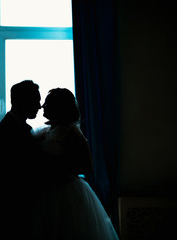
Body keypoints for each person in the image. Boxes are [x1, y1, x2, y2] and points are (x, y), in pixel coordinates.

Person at [33, 88, 119, 240]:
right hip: (45, 192)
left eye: (48, 103)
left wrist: (57, 170)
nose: (43, 107)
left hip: (67, 193)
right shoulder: (44, 132)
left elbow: (87, 166)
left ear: (59, 107)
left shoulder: (72, 132)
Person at [0, 80, 42, 240]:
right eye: (36, 100)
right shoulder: (8, 131)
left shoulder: (14, 127)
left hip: (11, 206)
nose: (39, 106)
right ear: (23, 101)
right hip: (11, 207)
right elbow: (19, 171)